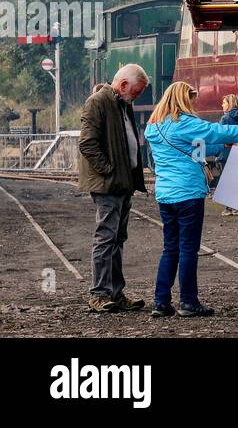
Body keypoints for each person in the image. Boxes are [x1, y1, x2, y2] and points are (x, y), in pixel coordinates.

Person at [144, 81, 238, 318]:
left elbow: (197, 151)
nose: (194, 104)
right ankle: (188, 301)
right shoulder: (185, 123)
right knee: (188, 249)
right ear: (183, 99)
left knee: (170, 248)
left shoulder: (155, 127)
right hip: (188, 194)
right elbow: (218, 130)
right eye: (191, 100)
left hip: (165, 195)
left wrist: (222, 146)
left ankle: (161, 302)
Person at [78, 64, 151, 313]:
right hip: (109, 184)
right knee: (106, 238)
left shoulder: (122, 104)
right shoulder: (98, 102)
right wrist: (109, 169)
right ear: (122, 86)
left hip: (122, 183)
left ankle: (116, 293)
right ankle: (99, 294)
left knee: (117, 239)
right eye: (137, 92)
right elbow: (87, 143)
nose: (137, 97)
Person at [216, 94, 238, 215]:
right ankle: (237, 207)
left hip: (227, 152)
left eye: (224, 103)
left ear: (229, 104)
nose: (222, 105)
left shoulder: (225, 119)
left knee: (226, 181)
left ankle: (229, 208)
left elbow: (218, 135)